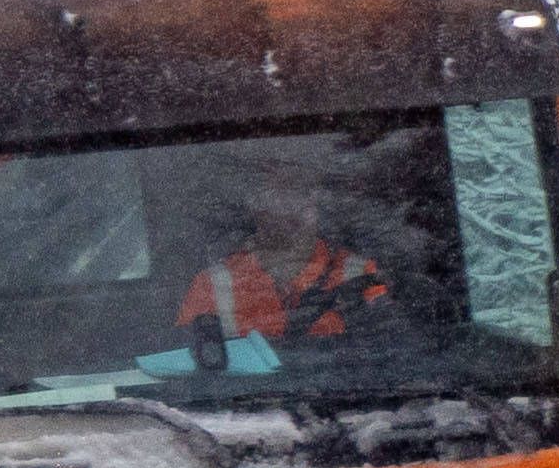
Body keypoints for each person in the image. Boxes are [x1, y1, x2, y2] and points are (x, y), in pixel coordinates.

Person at [174, 136, 418, 366]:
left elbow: (395, 355)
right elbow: (188, 373)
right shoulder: (211, 287)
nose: (296, 205)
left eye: (304, 191)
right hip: (241, 409)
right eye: (282, 192)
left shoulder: (361, 275)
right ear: (255, 205)